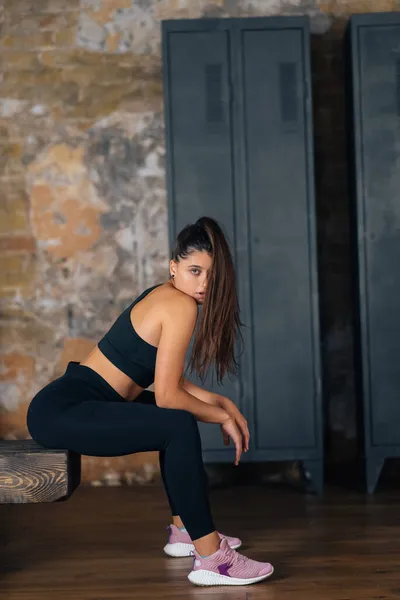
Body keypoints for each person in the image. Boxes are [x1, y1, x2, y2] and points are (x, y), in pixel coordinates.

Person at [26, 216, 274, 587]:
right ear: (173, 266)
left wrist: (219, 401)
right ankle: (212, 557)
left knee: (174, 421)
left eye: (212, 274)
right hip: (66, 409)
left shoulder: (165, 294)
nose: (204, 283)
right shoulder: (181, 306)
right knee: (176, 422)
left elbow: (166, 379)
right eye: (195, 271)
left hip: (74, 401)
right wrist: (220, 416)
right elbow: (169, 396)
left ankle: (184, 530)